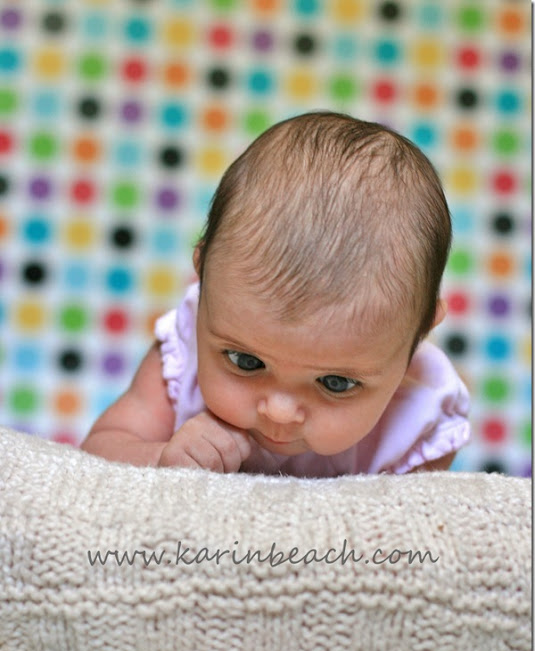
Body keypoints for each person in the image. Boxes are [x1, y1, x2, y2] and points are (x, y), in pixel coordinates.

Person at [81, 111, 470, 476]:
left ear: (417, 335)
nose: (279, 413)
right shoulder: (183, 357)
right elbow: (99, 449)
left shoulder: (419, 411)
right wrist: (161, 459)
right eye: (245, 361)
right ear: (202, 279)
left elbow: (413, 517)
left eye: (336, 383)